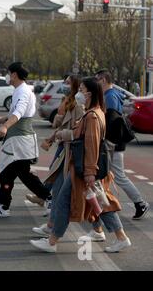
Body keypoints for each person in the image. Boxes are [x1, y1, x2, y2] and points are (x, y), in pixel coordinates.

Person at [30, 77, 132, 253]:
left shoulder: (92, 116)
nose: (79, 93)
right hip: (85, 167)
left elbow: (91, 144)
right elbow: (81, 135)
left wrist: (90, 172)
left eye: (82, 90)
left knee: (65, 201)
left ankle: (52, 241)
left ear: (90, 93)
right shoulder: (95, 112)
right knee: (99, 202)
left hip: (84, 168)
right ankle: (120, 237)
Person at [0, 62, 51, 218]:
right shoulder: (20, 90)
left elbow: (19, 113)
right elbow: (14, 113)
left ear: (14, 74)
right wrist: (0, 121)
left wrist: (5, 126)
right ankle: (48, 199)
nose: (8, 76)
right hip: (19, 140)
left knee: (9, 174)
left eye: (9, 73)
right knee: (21, 174)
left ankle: (4, 206)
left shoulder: (23, 92)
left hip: (20, 141)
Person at [32, 75, 84, 236]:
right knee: (60, 188)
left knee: (84, 194)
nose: (65, 85)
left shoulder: (81, 106)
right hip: (65, 148)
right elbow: (60, 122)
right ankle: (51, 225)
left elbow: (78, 132)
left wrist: (60, 134)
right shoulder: (69, 100)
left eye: (68, 83)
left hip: (71, 151)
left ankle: (53, 230)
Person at [96, 69, 149, 220]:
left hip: (113, 143)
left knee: (118, 176)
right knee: (103, 174)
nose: (96, 83)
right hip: (113, 142)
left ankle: (140, 203)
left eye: (98, 80)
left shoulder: (110, 96)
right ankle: (101, 206)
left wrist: (106, 139)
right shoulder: (109, 95)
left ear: (104, 80)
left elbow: (112, 120)